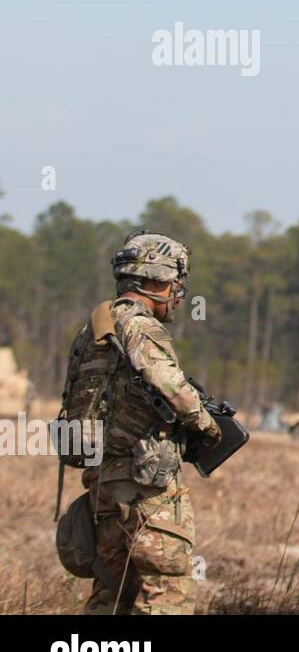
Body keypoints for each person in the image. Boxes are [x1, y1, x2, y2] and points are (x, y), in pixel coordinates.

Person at [64, 231, 221, 614]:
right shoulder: (140, 325)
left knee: (113, 591)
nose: (178, 296)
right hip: (146, 487)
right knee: (167, 587)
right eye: (175, 286)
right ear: (155, 281)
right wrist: (208, 426)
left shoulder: (93, 330)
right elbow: (171, 386)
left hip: (103, 483)